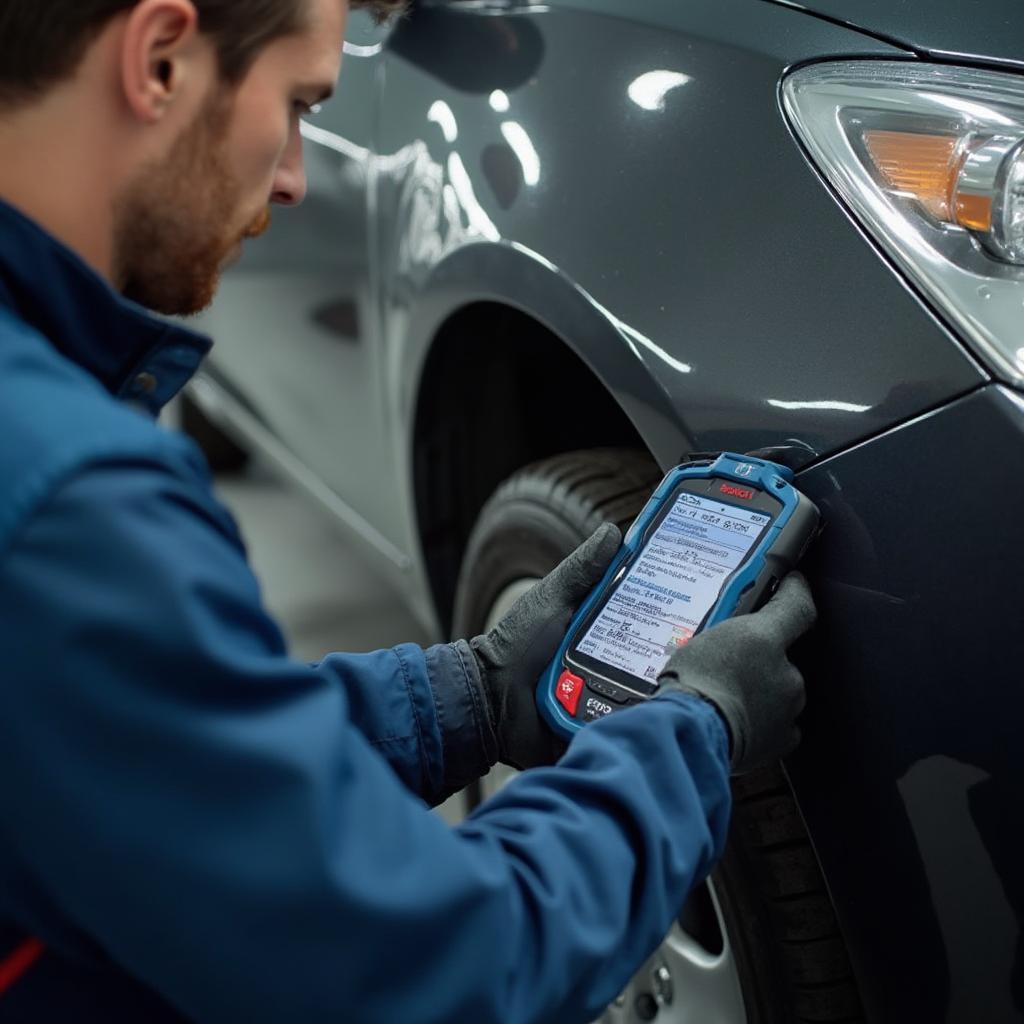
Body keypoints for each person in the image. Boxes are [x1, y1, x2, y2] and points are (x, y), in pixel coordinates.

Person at [0, 1, 817, 1020]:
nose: (296, 173)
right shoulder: (72, 507)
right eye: (296, 104)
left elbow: (161, 765)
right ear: (161, 59)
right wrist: (692, 731)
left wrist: (467, 695)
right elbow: (440, 966)